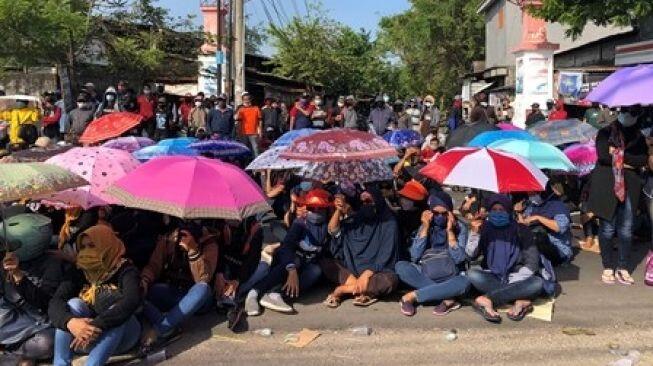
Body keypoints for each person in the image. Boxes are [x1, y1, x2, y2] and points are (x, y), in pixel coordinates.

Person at [49, 225, 141, 366]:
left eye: (92, 245)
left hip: (123, 338)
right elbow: (56, 301)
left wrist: (95, 326)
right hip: (85, 340)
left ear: (106, 245)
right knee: (73, 303)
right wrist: (70, 322)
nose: (86, 252)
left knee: (117, 308)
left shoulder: (126, 270)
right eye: (83, 247)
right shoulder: (80, 271)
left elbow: (131, 301)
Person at [586, 105, 648, 285]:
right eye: (627, 111)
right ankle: (607, 266)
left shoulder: (638, 136)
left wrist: (619, 155)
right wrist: (627, 161)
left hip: (630, 186)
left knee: (627, 229)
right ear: (620, 112)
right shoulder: (605, 133)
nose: (629, 115)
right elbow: (603, 156)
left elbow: (642, 160)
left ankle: (622, 267)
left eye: (633, 112)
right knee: (607, 228)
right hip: (607, 185)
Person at [245, 189, 331, 315]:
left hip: (308, 264)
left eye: (321, 209)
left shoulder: (326, 225)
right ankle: (254, 292)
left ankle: (277, 295)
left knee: (316, 271)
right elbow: (287, 247)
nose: (317, 212)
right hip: (290, 262)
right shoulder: (300, 223)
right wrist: (291, 269)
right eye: (313, 208)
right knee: (293, 261)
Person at [1, 214, 68, 365]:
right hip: (10, 318)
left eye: (12, 245)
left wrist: (18, 275)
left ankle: (13, 354)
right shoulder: (5, 261)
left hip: (39, 323)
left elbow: (45, 302)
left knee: (47, 344)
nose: (7, 249)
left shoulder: (52, 264)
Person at [466, 194, 543, 323]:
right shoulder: (484, 228)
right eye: (494, 210)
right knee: (472, 274)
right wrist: (474, 233)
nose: (497, 213)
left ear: (508, 211)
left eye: (501, 210)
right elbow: (471, 255)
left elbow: (532, 263)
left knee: (537, 283)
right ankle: (518, 299)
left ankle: (488, 299)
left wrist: (513, 281)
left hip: (517, 277)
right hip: (493, 276)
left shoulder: (521, 230)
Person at [140, 221, 218, 346]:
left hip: (196, 296)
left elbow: (203, 279)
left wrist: (193, 250)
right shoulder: (169, 239)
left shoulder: (209, 242)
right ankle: (170, 322)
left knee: (203, 289)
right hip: (173, 290)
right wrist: (144, 280)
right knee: (141, 292)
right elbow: (153, 266)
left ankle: (161, 328)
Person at [395, 192, 470, 316]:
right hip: (426, 272)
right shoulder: (426, 226)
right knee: (401, 267)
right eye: (435, 213)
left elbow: (459, 259)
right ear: (430, 213)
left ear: (450, 212)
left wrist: (450, 232)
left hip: (451, 274)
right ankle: (447, 297)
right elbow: (415, 256)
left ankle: (411, 297)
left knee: (465, 282)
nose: (439, 216)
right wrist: (425, 227)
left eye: (444, 213)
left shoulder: (460, 228)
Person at [322, 188, 399, 308]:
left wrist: (367, 274)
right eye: (362, 202)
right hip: (352, 271)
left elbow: (387, 254)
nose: (365, 205)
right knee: (326, 262)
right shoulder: (356, 219)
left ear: (378, 201)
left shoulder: (388, 222)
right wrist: (338, 210)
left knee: (390, 280)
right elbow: (333, 230)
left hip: (375, 272)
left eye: (368, 201)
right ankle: (360, 289)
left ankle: (343, 290)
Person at [516, 183, 573, 266]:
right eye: (529, 194)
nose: (531, 197)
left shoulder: (557, 206)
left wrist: (538, 218)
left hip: (558, 248)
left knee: (538, 233)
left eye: (533, 194)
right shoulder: (533, 206)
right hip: (538, 249)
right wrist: (519, 212)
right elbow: (523, 223)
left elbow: (559, 227)